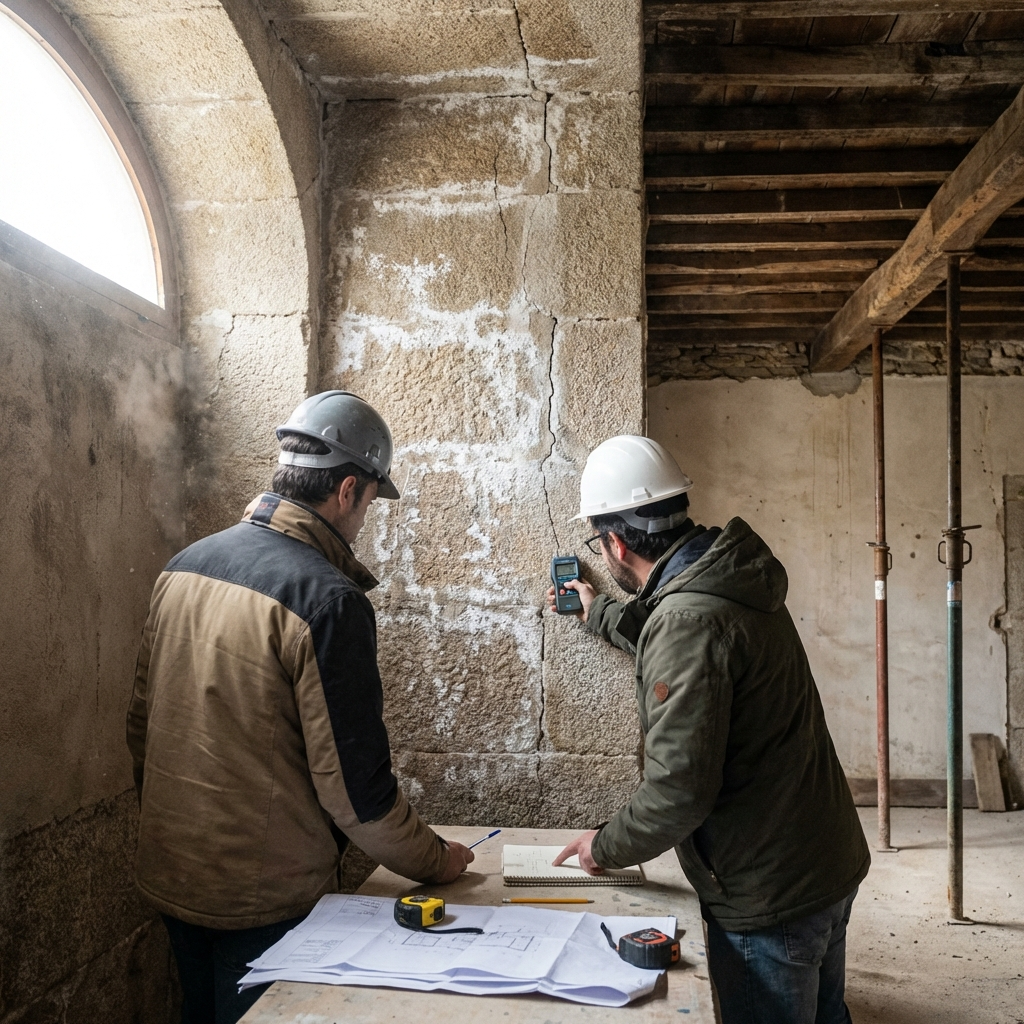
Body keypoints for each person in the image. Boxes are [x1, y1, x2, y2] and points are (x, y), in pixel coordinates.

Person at [127, 391, 474, 1024]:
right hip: (263, 898)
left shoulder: (182, 566)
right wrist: (438, 860)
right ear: (348, 490)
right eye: (370, 502)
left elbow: (141, 731)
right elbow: (355, 792)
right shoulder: (328, 601)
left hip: (171, 874)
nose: (365, 517)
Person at [548, 435, 869, 1024]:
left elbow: (679, 793)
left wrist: (605, 845)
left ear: (615, 542)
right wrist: (598, 611)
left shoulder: (689, 621)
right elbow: (677, 634)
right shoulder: (726, 577)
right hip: (821, 857)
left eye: (599, 541)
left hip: (768, 893)